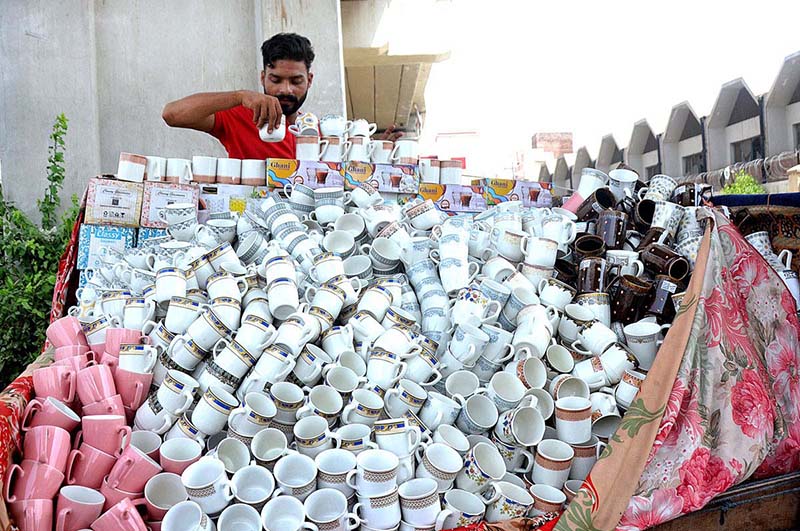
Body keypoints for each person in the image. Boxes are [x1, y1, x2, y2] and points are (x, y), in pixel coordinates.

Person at [162, 32, 401, 160]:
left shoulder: (322, 132)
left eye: (296, 81)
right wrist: (239, 96)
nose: (285, 90)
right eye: (276, 80)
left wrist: (375, 153)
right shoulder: (238, 117)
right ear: (263, 77)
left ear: (309, 80)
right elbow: (172, 114)